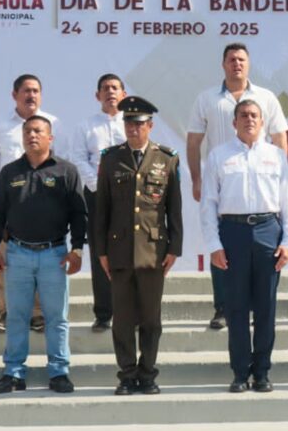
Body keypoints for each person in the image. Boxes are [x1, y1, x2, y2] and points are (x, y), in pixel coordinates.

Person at [187, 43, 288, 330]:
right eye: (232, 60)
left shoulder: (266, 98)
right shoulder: (206, 98)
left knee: (259, 253)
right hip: (221, 183)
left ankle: (257, 307)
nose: (237, 64)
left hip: (259, 183)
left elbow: (280, 138)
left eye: (242, 59)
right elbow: (194, 141)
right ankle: (222, 307)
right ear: (223, 64)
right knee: (219, 243)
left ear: (249, 64)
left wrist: (281, 181)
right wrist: (196, 179)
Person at [201, 99, 288, 393]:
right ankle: (240, 372)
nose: (249, 120)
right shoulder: (219, 155)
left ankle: (263, 372)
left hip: (269, 230)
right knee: (236, 308)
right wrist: (214, 244)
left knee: (266, 308)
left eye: (254, 115)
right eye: (243, 115)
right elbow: (208, 204)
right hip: (233, 233)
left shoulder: (276, 156)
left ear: (263, 121)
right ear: (234, 122)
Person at [0, 116, 85, 394]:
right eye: (27, 131)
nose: (32, 135)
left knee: (56, 317)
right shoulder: (9, 172)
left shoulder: (67, 171)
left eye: (38, 131)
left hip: (54, 254)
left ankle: (59, 372)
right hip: (17, 253)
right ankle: (13, 372)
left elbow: (79, 214)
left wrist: (77, 249)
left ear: (50, 137)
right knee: (16, 316)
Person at [93, 96, 183, 396]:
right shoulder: (110, 159)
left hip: (153, 251)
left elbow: (174, 209)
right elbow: (101, 210)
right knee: (122, 320)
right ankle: (127, 375)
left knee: (150, 320)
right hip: (118, 252)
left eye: (139, 123)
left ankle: (148, 375)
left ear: (150, 126)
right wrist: (101, 251)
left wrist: (174, 248)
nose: (133, 128)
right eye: (129, 123)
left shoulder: (166, 159)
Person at [0, 74, 57, 333]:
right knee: (4, 259)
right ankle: (5, 312)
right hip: (8, 203)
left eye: (36, 90)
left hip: (43, 204)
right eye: (26, 91)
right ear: (14, 95)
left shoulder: (52, 123)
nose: (31, 95)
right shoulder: (0, 124)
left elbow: (60, 165)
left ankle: (37, 314)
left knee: (38, 259)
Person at [71, 73, 127, 332]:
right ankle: (103, 313)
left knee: (129, 254)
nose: (110, 92)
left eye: (115, 88)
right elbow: (79, 159)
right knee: (100, 253)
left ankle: (130, 312)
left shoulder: (133, 123)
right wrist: (99, 188)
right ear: (97, 95)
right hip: (97, 197)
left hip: (129, 197)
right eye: (105, 88)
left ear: (123, 94)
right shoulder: (86, 126)